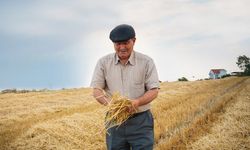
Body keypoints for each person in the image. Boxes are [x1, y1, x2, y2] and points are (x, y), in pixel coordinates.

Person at [90, 24, 159, 150]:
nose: (122, 47)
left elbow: (154, 90)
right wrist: (111, 105)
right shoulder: (103, 63)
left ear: (134, 41)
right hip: (114, 121)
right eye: (118, 44)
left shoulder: (146, 62)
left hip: (141, 121)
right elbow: (96, 90)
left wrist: (137, 102)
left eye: (126, 43)